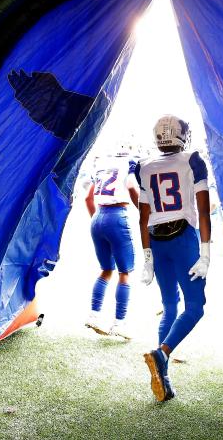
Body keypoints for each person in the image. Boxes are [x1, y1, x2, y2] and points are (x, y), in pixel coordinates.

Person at [137, 115, 211, 402]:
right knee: (195, 307)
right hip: (183, 238)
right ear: (183, 136)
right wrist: (205, 254)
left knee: (169, 306)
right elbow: (203, 212)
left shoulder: (143, 166)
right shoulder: (192, 160)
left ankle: (162, 377)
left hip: (156, 240)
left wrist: (147, 257)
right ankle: (161, 354)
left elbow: (143, 216)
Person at [84, 141, 140, 339]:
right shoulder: (130, 163)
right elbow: (132, 187)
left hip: (97, 216)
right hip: (117, 216)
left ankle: (94, 315)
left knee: (106, 270)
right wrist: (144, 209)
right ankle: (119, 323)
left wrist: (97, 220)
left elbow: (87, 199)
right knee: (124, 273)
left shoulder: (101, 164)